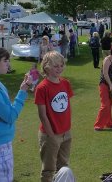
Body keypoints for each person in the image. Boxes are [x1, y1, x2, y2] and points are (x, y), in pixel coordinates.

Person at [0, 46, 32, 182]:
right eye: (5, 60)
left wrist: (23, 88)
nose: (9, 64)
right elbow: (10, 116)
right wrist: (22, 92)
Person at [35, 51, 73, 182]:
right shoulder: (42, 88)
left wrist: (67, 129)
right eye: (56, 66)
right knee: (48, 170)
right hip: (50, 134)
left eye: (61, 65)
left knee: (63, 166)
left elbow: (66, 107)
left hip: (66, 133)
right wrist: (51, 135)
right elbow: (42, 115)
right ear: (46, 67)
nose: (60, 68)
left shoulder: (65, 83)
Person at [94, 45, 112, 130]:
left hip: (111, 85)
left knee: (109, 105)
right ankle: (98, 125)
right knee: (105, 105)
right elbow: (105, 74)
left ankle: (109, 123)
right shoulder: (107, 60)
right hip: (104, 85)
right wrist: (110, 85)